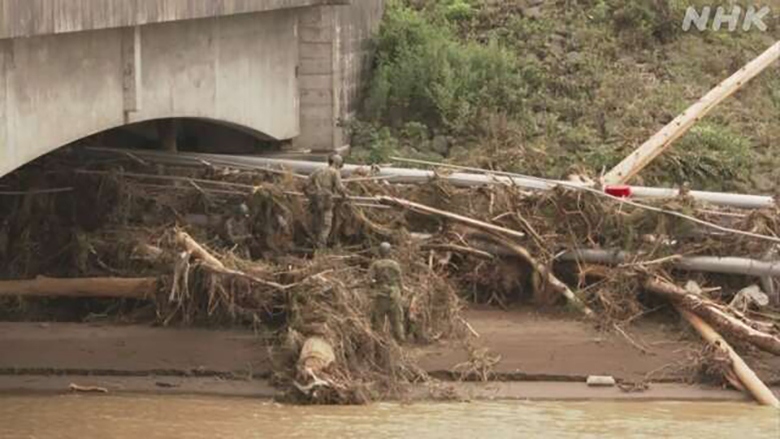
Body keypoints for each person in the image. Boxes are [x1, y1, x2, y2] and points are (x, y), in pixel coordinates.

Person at [304, 153, 347, 248]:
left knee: (316, 222)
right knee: (326, 225)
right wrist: (345, 196)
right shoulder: (334, 172)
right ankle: (320, 246)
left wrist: (309, 195)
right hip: (326, 201)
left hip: (315, 201)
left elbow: (306, 183)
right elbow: (340, 188)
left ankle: (313, 243)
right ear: (338, 163)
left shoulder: (318, 170)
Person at [368, 242, 405, 342]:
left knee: (378, 320)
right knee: (397, 321)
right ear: (390, 252)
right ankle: (400, 342)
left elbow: (369, 280)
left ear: (379, 252)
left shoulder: (376, 264)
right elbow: (400, 281)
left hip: (381, 295)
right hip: (395, 294)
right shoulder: (395, 264)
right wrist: (401, 292)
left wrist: (373, 285)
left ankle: (380, 342)